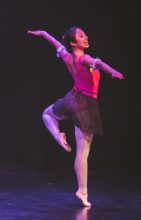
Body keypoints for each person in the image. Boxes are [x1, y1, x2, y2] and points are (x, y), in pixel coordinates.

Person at [27, 27, 124, 207]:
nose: (86, 37)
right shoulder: (85, 58)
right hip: (85, 105)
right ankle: (82, 191)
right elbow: (100, 65)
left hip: (70, 99)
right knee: (82, 153)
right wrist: (112, 71)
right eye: (81, 36)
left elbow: (52, 40)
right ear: (73, 43)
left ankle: (58, 136)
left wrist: (41, 34)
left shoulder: (66, 56)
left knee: (47, 114)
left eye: (85, 34)